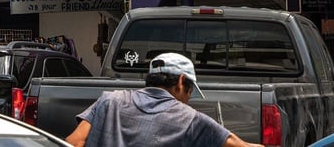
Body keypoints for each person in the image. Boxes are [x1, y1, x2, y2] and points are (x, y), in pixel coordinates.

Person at [65, 52, 263, 147]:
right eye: (190, 92)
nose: (188, 100)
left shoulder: (110, 100)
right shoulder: (191, 119)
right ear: (181, 81)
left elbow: (74, 142)